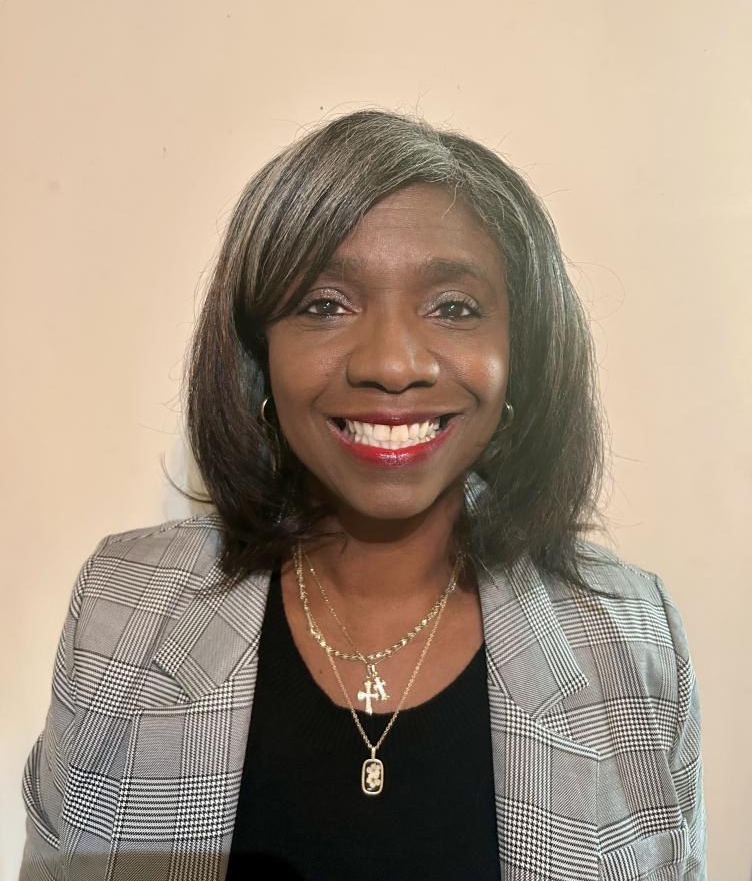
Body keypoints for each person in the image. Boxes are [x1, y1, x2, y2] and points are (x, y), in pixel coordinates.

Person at [20, 109, 706, 880]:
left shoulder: (635, 644)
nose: (390, 363)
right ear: (260, 356)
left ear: (522, 357)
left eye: (453, 307)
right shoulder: (120, 613)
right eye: (324, 305)